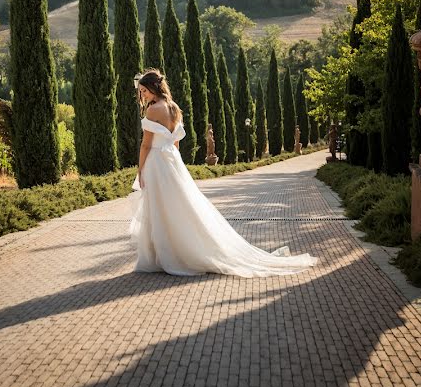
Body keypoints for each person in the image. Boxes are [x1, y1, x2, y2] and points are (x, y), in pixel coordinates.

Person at [130, 69, 318, 277]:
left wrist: (140, 170)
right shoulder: (174, 108)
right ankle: (178, 250)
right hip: (172, 163)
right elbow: (175, 143)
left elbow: (146, 145)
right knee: (179, 207)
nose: (143, 95)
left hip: (157, 162)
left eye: (144, 91)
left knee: (159, 208)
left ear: (154, 88)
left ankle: (164, 256)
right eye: (141, 92)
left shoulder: (153, 110)